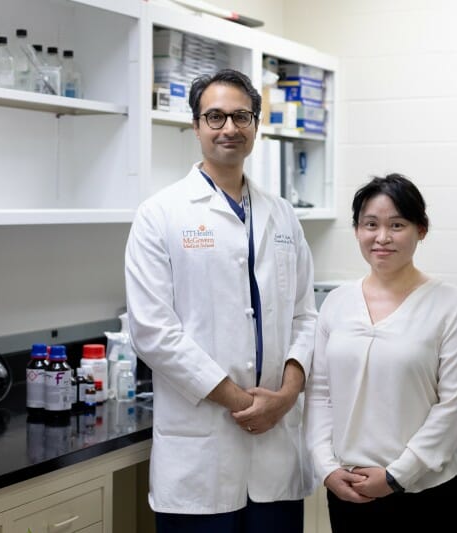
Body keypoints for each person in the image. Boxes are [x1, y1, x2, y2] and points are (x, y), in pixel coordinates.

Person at [124, 68, 318, 533]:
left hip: (276, 454)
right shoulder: (160, 214)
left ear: (256, 125)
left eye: (240, 116)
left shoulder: (283, 215)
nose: (229, 128)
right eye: (215, 117)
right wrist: (241, 401)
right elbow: (153, 333)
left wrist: (285, 396)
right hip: (200, 459)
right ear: (196, 126)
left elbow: (306, 316)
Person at [304, 174, 457, 532]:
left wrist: (397, 476)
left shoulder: (450, 305)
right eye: (370, 224)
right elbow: (320, 393)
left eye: (396, 225)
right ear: (357, 230)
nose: (382, 237)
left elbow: (453, 406)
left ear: (421, 229)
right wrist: (326, 468)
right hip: (349, 488)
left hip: (423, 491)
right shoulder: (337, 303)